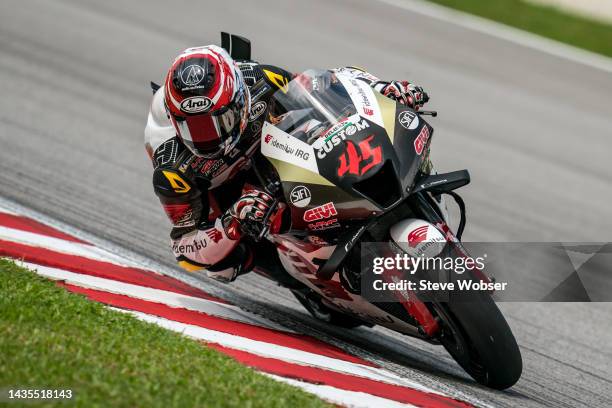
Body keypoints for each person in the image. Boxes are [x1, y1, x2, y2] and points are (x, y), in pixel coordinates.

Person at [144, 44, 430, 283]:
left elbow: (329, 84)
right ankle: (302, 280)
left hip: (269, 150)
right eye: (193, 128)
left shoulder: (260, 80)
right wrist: (232, 221)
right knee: (226, 266)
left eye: (218, 122)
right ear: (174, 120)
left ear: (238, 102)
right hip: (224, 190)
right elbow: (185, 247)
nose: (207, 138)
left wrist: (381, 88)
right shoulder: (172, 168)